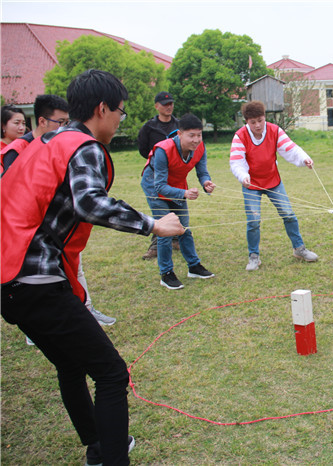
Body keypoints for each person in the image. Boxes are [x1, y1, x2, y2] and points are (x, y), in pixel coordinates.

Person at [1, 69, 185, 465]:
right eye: (119, 111)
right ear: (102, 109)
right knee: (112, 373)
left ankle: (99, 447)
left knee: (70, 363)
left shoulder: (45, 142)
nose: (120, 120)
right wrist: (153, 224)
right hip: (35, 280)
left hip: (11, 282)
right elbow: (90, 202)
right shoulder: (83, 146)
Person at [1, 94, 116, 330]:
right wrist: (152, 225)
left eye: (67, 122)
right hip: (30, 252)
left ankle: (85, 309)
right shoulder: (22, 150)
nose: (65, 127)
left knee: (75, 270)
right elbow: (88, 202)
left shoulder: (57, 144)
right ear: (43, 121)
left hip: (60, 239)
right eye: (60, 122)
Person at [229, 100, 319, 271]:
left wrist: (304, 158)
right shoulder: (240, 136)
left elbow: (290, 148)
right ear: (246, 122)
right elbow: (236, 162)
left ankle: (299, 249)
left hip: (273, 181)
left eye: (260, 120)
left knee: (288, 214)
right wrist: (243, 176)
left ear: (265, 117)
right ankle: (253, 256)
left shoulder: (274, 130)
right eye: (253, 122)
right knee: (253, 220)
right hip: (251, 184)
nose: (257, 125)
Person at [141, 113, 216, 290]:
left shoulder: (200, 147)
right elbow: (160, 186)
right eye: (191, 135)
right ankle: (166, 273)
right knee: (166, 232)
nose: (196, 140)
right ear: (180, 134)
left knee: (183, 228)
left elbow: (202, 171)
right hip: (155, 188)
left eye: (199, 135)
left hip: (178, 186)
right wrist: (184, 193)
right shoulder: (163, 150)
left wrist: (206, 182)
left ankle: (194, 266)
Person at [137, 91, 180, 260]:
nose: (168, 107)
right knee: (159, 209)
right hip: (155, 174)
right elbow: (143, 149)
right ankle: (156, 245)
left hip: (174, 173)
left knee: (176, 205)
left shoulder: (179, 125)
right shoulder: (149, 127)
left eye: (171, 104)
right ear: (157, 106)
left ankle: (175, 238)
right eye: (164, 104)